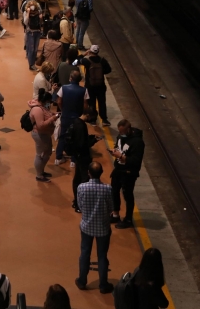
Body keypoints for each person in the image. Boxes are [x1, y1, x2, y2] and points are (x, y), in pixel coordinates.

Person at [75, 161, 114, 294]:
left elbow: (80, 206)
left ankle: (82, 281)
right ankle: (103, 285)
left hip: (86, 226)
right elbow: (111, 207)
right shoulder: (108, 189)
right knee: (102, 255)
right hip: (103, 227)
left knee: (85, 253)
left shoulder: (81, 187)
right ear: (101, 173)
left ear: (89, 173)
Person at [110, 119, 145, 229]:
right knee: (114, 191)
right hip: (118, 169)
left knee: (127, 195)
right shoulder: (121, 136)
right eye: (119, 132)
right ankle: (115, 214)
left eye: (122, 132)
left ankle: (128, 219)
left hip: (129, 173)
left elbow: (135, 161)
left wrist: (120, 156)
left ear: (128, 129)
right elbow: (118, 145)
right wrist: (114, 150)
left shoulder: (138, 142)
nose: (121, 134)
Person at [55, 70, 89, 165]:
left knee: (62, 136)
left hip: (65, 116)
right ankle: (73, 161)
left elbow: (59, 101)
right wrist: (82, 114)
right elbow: (85, 105)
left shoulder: (64, 88)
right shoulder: (84, 90)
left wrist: (63, 110)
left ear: (70, 78)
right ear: (80, 79)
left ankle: (58, 157)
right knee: (76, 137)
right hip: (77, 118)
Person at [70, 107, 100, 212]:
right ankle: (80, 204)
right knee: (83, 180)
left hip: (78, 156)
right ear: (87, 115)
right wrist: (93, 141)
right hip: (83, 157)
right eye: (91, 117)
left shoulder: (76, 121)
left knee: (77, 179)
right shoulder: (81, 126)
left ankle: (76, 201)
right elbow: (82, 144)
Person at [29, 89, 60, 182]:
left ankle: (41, 171)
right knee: (40, 154)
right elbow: (41, 125)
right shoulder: (37, 109)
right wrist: (53, 118)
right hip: (39, 134)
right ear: (45, 101)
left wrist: (52, 114)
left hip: (44, 134)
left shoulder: (41, 106)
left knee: (47, 152)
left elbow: (46, 114)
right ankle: (39, 175)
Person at [80, 45, 112, 126]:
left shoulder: (86, 61)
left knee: (92, 103)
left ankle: (93, 120)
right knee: (102, 102)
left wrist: (84, 54)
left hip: (90, 86)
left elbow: (75, 61)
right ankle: (104, 119)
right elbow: (109, 70)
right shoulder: (102, 60)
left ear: (90, 51)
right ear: (98, 52)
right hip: (101, 85)